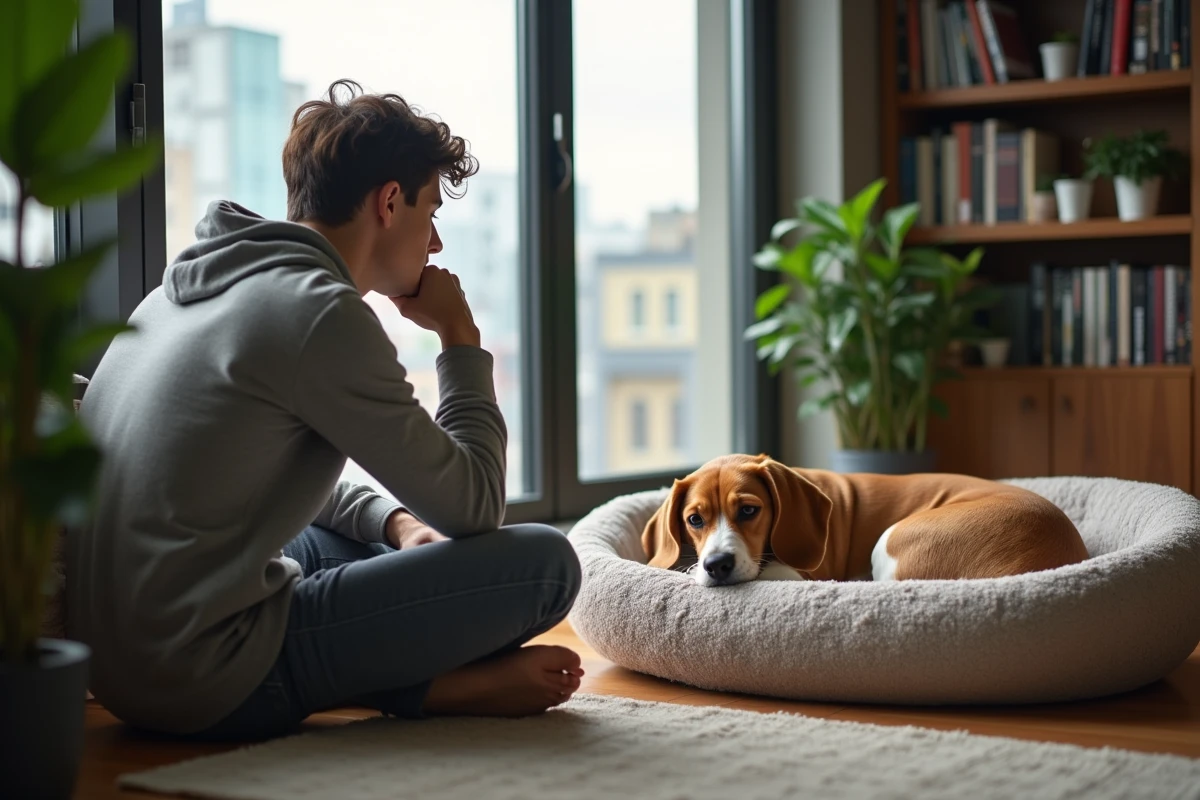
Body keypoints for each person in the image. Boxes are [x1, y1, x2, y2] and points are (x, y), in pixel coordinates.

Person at [66, 79, 583, 741]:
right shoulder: (318, 313)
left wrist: (394, 522)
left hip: (121, 661)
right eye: (431, 214)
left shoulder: (187, 288)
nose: (435, 246)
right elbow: (475, 505)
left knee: (354, 536)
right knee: (545, 565)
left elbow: (246, 479)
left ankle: (405, 665)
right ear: (390, 203)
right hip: (205, 678)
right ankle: (417, 686)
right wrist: (460, 339)